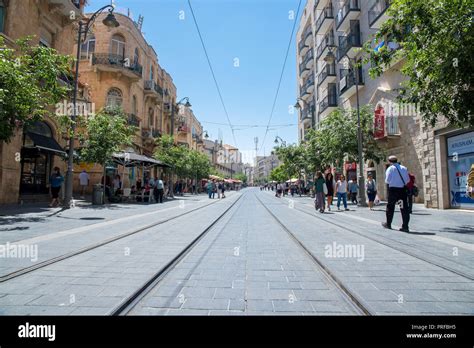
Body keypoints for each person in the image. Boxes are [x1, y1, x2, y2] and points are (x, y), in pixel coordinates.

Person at [382, 155, 410, 232]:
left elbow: (387, 181)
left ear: (389, 161)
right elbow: (407, 180)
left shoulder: (390, 169)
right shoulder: (404, 168)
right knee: (403, 208)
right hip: (402, 191)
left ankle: (388, 224)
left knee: (390, 207)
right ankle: (405, 226)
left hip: (393, 191)